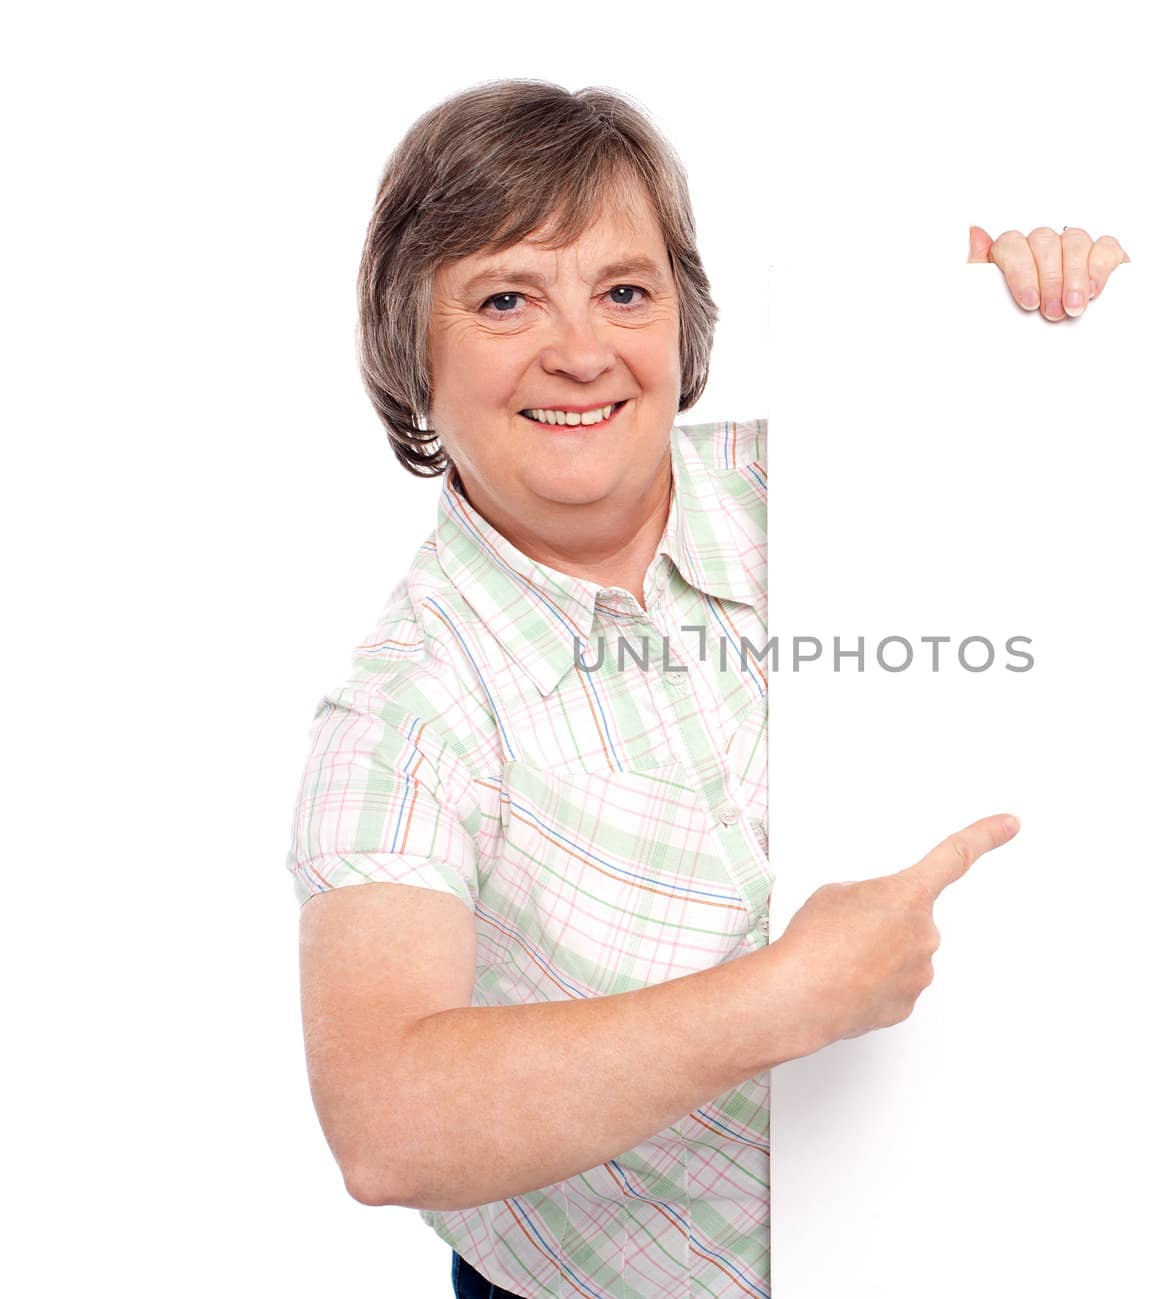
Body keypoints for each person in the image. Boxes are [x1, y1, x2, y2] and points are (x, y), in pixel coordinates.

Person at [285, 78, 1130, 1299]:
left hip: (966, 1225)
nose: (580, 350)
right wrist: (783, 999)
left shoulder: (831, 481)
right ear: (409, 346)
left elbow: (1113, 562)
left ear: (683, 321)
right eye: (507, 298)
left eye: (624, 291)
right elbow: (386, 1123)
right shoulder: (402, 712)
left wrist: (1034, 330)